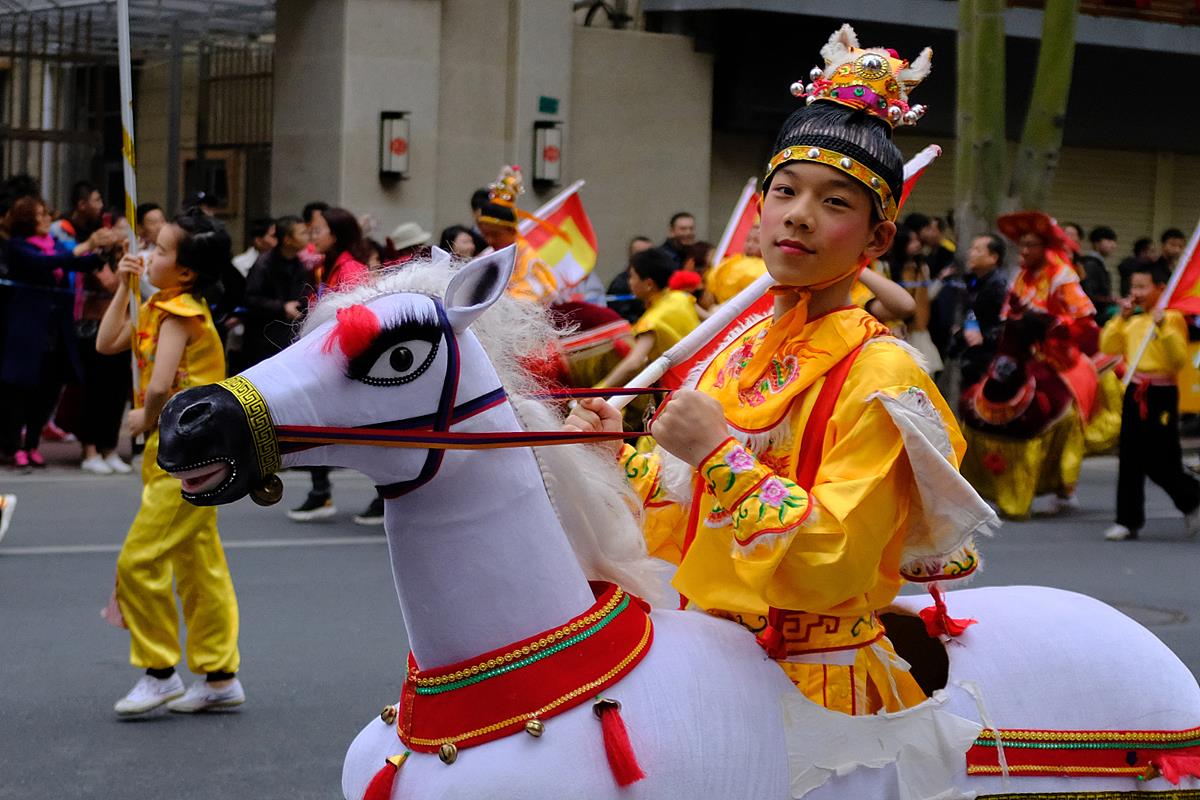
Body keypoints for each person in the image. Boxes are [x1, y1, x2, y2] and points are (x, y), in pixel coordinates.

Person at [566, 26, 988, 716]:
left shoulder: (881, 375)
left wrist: (719, 454)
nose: (797, 217)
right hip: (704, 657)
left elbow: (836, 559)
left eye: (834, 202)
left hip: (814, 685)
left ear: (878, 238)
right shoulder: (740, 346)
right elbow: (682, 521)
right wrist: (615, 454)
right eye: (785, 190)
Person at [97, 208, 244, 716]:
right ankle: (220, 676)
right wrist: (125, 287)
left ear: (184, 271)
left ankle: (159, 672)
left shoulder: (181, 311)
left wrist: (146, 416)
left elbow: (160, 386)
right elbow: (106, 342)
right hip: (186, 454)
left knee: (138, 561)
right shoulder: (158, 305)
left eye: (159, 250)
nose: (149, 255)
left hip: (188, 456)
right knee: (198, 565)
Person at [0, 196, 111, 467]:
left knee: (46, 390)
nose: (48, 218)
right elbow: (45, 264)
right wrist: (86, 245)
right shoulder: (19, 248)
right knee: (19, 392)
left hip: (55, 332)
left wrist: (104, 251)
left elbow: (79, 262)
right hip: (25, 332)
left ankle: (33, 443)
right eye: (41, 214)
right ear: (28, 220)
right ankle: (14, 446)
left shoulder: (54, 245)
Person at [1100, 261, 1200, 541]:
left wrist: (1163, 327)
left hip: (1161, 393)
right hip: (1135, 390)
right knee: (1130, 457)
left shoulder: (1173, 319)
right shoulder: (1132, 319)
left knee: (1160, 458)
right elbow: (1108, 346)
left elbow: (1179, 359)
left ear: (1160, 289)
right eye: (1133, 286)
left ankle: (1192, 498)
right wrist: (1120, 318)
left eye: (1143, 287)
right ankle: (1127, 520)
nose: (1137, 292)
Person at [291, 206, 375, 524]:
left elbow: (356, 317)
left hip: (341, 363)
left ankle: (382, 497)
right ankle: (319, 492)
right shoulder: (328, 267)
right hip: (323, 361)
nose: (313, 236)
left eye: (319, 230)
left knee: (364, 434)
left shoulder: (350, 269)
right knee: (314, 425)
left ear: (335, 234)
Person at [595, 246, 698, 390]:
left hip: (678, 389)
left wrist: (597, 390)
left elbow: (634, 363)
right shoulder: (681, 297)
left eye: (632, 276)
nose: (629, 282)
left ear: (649, 284)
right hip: (700, 377)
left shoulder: (651, 321)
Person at [475, 165, 559, 304]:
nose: (489, 240)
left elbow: (530, 303)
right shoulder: (487, 257)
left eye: (495, 234)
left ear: (512, 231)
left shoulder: (530, 261)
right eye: (485, 234)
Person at [241, 215, 308, 369]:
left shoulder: (299, 265)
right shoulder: (263, 265)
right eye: (302, 233)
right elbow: (249, 298)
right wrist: (282, 307)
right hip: (262, 339)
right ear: (287, 239)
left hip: (287, 336)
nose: (308, 237)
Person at [952, 233, 1008, 389]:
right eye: (971, 249)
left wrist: (981, 335)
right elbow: (971, 311)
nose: (970, 253)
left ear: (993, 257)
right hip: (973, 354)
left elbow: (1003, 322)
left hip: (989, 358)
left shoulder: (999, 285)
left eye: (977, 250)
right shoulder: (974, 280)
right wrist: (966, 329)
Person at [705, 222, 767, 304]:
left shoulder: (768, 269)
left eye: (756, 241)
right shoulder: (731, 260)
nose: (750, 245)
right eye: (748, 240)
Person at [607, 235, 653, 323]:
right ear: (631, 256)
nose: (646, 258)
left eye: (650, 254)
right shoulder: (620, 284)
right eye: (640, 254)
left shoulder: (657, 279)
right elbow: (621, 316)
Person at [1079, 225, 1117, 324]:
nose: (1113, 245)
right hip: (1094, 316)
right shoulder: (1091, 264)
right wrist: (1111, 300)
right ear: (1096, 243)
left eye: (1113, 241)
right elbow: (1089, 294)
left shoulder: (1097, 263)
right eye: (1109, 241)